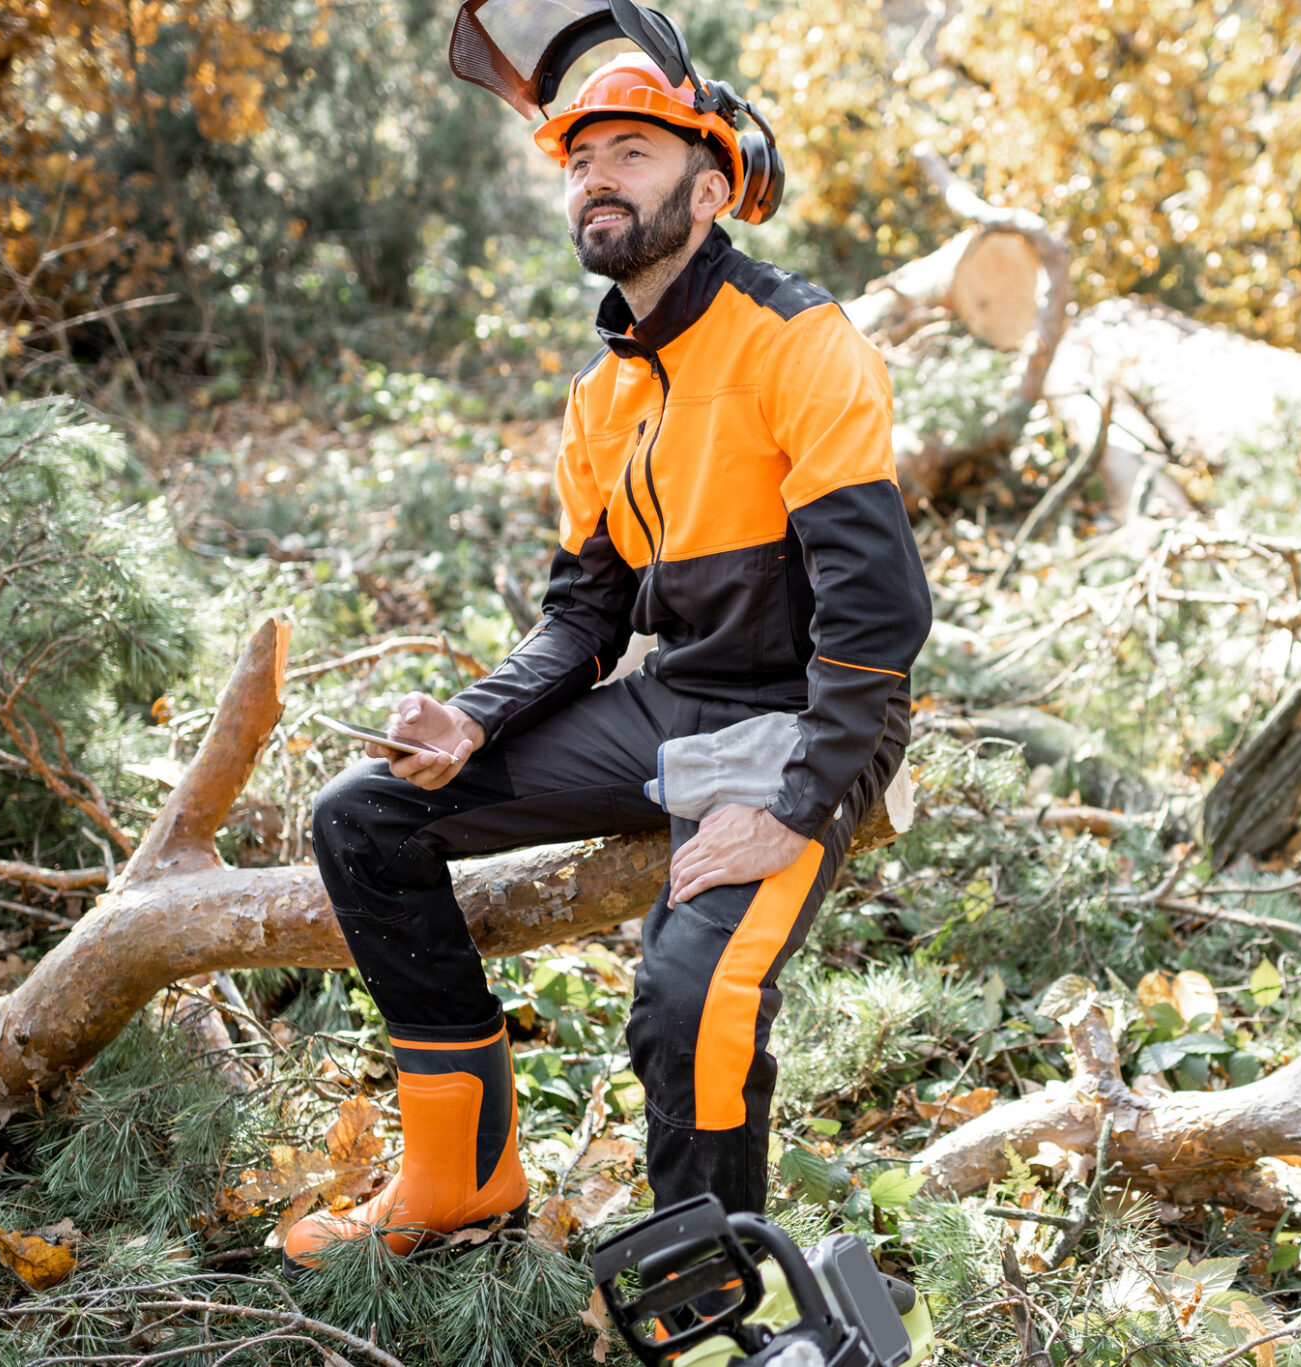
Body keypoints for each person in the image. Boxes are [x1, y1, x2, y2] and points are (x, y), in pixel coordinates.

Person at [284, 50, 931, 1269]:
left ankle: (715, 1281)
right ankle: (461, 1173)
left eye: (631, 152)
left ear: (713, 185)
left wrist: (799, 803)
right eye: (581, 159)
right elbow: (583, 613)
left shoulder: (798, 339)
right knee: (366, 817)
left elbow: (876, 603)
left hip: (797, 717)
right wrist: (474, 720)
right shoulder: (603, 395)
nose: (596, 177)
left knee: (689, 1001)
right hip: (678, 701)